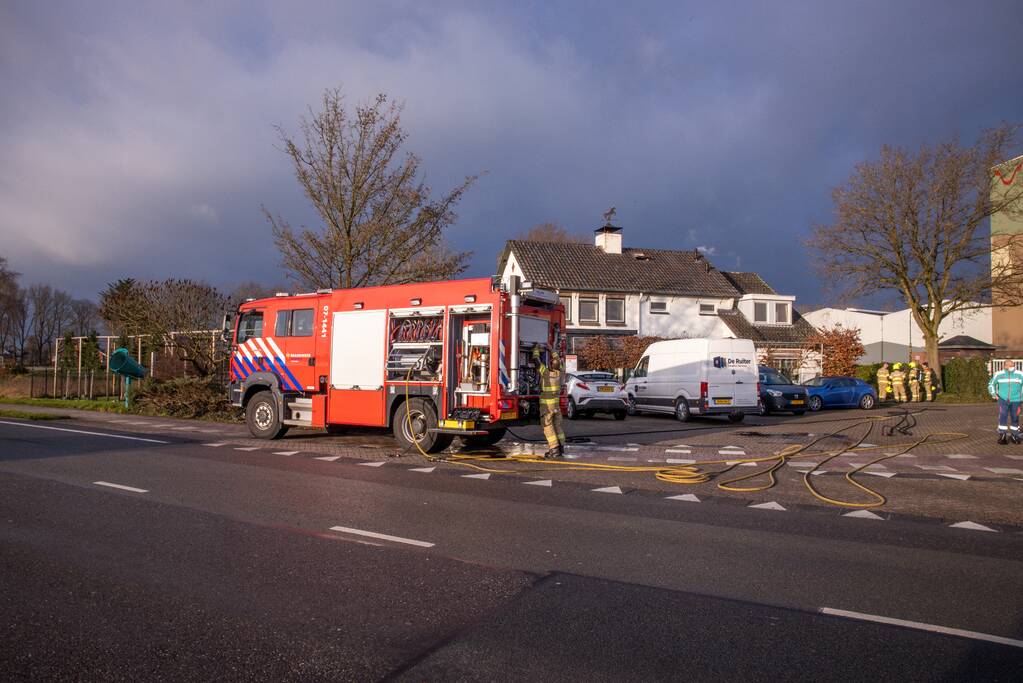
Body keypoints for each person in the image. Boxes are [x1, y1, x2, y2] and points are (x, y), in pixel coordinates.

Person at [533, 345, 566, 458]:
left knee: (547, 426)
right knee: (557, 425)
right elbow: (558, 361)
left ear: (551, 364)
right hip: (556, 406)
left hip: (547, 407)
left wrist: (536, 349)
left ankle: (554, 449)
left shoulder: (546, 373)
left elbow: (536, 361)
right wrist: (551, 350)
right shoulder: (560, 372)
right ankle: (561, 447)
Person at [988, 359, 1023, 445]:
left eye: (1013, 365)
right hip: (1003, 399)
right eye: (1009, 365)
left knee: (1015, 417)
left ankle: (1015, 435)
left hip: (1016, 400)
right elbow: (991, 384)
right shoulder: (999, 374)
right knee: (1003, 416)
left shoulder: (1020, 374)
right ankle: (1002, 436)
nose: (1012, 367)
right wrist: (993, 394)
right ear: (1005, 366)